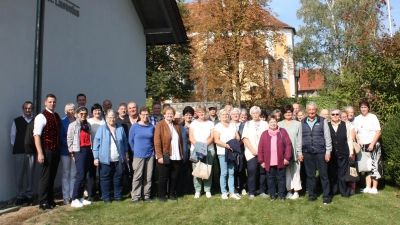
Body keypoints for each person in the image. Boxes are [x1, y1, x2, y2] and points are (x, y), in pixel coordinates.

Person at [297, 102, 332, 204]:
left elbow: (327, 137)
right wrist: (299, 152)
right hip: (307, 152)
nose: (311, 111)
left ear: (316, 110)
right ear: (307, 111)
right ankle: (312, 195)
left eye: (313, 110)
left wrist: (328, 152)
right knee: (310, 175)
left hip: (321, 152)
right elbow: (300, 138)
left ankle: (326, 196)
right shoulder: (302, 122)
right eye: (309, 110)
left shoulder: (323, 121)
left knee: (324, 175)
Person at [93, 110, 129, 204]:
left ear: (116, 117)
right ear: (106, 118)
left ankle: (118, 196)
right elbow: (96, 144)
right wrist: (96, 157)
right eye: (110, 117)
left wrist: (126, 154)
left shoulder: (120, 128)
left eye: (113, 117)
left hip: (118, 159)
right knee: (105, 179)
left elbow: (125, 142)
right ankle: (106, 197)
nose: (112, 119)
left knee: (118, 178)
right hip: (105, 160)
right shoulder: (101, 129)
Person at [33, 94, 62, 210]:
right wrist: (40, 153)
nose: (52, 104)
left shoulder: (56, 116)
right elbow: (37, 135)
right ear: (45, 103)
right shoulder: (41, 116)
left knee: (52, 176)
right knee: (45, 176)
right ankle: (43, 201)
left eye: (54, 102)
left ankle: (50, 199)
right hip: (46, 150)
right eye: (50, 102)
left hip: (55, 149)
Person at [258, 115, 292, 201]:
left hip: (281, 160)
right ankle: (272, 195)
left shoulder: (283, 131)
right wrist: (261, 161)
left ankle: (281, 195)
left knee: (281, 178)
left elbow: (288, 145)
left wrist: (287, 158)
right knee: (270, 179)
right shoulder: (264, 134)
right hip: (269, 161)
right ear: (268, 124)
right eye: (271, 122)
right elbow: (260, 148)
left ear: (277, 122)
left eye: (274, 121)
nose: (273, 123)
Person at [154, 106, 184, 202]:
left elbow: (180, 141)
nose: (170, 115)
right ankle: (161, 195)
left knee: (174, 176)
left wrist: (181, 153)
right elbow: (157, 142)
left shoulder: (176, 125)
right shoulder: (160, 124)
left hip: (176, 155)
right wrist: (159, 156)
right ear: (164, 115)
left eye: (172, 114)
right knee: (163, 176)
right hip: (165, 155)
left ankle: (171, 194)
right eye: (168, 114)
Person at [353, 100, 382, 194]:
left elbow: (378, 131)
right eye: (361, 107)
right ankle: (368, 187)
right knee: (366, 167)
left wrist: (372, 144)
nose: (363, 109)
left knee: (375, 165)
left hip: (373, 145)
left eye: (365, 107)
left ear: (368, 108)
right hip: (363, 146)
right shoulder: (357, 119)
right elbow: (355, 132)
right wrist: (358, 140)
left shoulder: (373, 117)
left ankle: (375, 188)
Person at [11, 101, 35, 206]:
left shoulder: (35, 121)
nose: (27, 110)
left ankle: (29, 195)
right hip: (19, 152)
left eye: (29, 108)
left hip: (31, 152)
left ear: (32, 109)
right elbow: (13, 137)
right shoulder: (17, 121)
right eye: (26, 108)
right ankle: (19, 196)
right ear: (23, 109)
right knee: (19, 176)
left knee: (30, 175)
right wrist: (19, 147)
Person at [67, 107, 93, 207]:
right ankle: (74, 198)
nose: (83, 115)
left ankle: (81, 197)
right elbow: (69, 139)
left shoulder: (88, 125)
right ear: (77, 114)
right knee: (80, 175)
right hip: (79, 151)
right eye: (81, 113)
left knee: (85, 175)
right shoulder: (73, 125)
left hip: (87, 150)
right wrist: (72, 152)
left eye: (85, 113)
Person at [242, 106, 269, 199]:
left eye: (257, 113)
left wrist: (262, 151)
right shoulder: (248, 124)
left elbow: (268, 137)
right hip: (251, 152)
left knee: (263, 172)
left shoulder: (265, 123)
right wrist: (253, 150)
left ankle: (262, 190)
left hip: (263, 153)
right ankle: (252, 192)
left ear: (259, 114)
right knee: (252, 171)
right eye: (253, 113)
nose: (255, 115)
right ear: (251, 114)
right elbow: (245, 138)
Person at [129, 107, 155, 203]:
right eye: (143, 114)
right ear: (139, 115)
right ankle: (135, 196)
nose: (145, 116)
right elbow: (130, 140)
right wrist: (134, 150)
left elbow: (153, 140)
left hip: (150, 154)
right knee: (137, 176)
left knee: (148, 176)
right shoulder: (135, 127)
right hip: (138, 155)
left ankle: (146, 195)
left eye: (146, 114)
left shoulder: (151, 127)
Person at [214, 109, 241, 200]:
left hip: (232, 152)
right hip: (222, 152)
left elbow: (237, 137)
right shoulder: (218, 126)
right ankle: (224, 192)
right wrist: (226, 145)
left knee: (232, 172)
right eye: (223, 114)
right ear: (220, 116)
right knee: (224, 172)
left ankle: (232, 192)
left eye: (226, 114)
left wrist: (237, 137)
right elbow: (216, 140)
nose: (225, 116)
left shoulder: (232, 125)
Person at [189, 104, 215, 199]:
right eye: (199, 112)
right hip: (195, 150)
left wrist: (204, 146)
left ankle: (207, 190)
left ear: (205, 112)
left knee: (207, 169)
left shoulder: (210, 123)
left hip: (209, 149)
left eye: (203, 112)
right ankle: (198, 190)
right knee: (196, 169)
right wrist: (199, 147)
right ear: (197, 113)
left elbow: (212, 136)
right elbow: (191, 137)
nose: (201, 114)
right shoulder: (193, 123)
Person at [278, 105, 302, 200]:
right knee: (287, 173)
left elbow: (300, 139)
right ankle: (289, 190)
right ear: (283, 113)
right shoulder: (279, 124)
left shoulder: (297, 124)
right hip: (283, 154)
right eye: (286, 112)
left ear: (292, 112)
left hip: (295, 151)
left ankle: (296, 191)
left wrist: (300, 153)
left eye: (289, 112)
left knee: (296, 172)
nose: (288, 113)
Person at [327, 109, 352, 198]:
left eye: (337, 114)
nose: (335, 116)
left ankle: (344, 191)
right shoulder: (327, 125)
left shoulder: (345, 125)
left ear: (340, 115)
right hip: (331, 154)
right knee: (332, 173)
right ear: (330, 115)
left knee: (343, 173)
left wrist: (351, 152)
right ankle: (333, 190)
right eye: (333, 114)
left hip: (343, 152)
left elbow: (349, 139)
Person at [87, 103, 105, 200]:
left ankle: (102, 193)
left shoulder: (104, 121)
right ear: (92, 112)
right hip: (91, 150)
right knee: (91, 173)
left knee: (102, 172)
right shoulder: (89, 122)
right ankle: (91, 194)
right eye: (95, 110)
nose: (97, 112)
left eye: (99, 110)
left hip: (103, 150)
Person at [59, 103, 77, 205]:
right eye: (69, 110)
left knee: (73, 174)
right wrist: (70, 146)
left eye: (73, 109)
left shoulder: (77, 121)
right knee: (66, 174)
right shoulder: (62, 122)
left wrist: (75, 148)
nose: (71, 111)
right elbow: (61, 137)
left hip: (75, 152)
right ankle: (65, 196)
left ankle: (72, 195)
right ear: (66, 111)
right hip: (65, 151)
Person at [179, 106, 195, 195]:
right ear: (184, 116)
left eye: (190, 115)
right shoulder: (180, 126)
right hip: (184, 150)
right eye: (187, 115)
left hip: (193, 150)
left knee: (193, 169)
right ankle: (185, 187)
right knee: (184, 170)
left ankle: (193, 187)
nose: (188, 116)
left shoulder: (195, 125)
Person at [231, 108, 247, 195]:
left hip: (242, 149)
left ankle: (243, 187)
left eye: (237, 114)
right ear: (231, 116)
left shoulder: (244, 125)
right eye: (234, 114)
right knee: (233, 169)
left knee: (242, 168)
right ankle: (235, 187)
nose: (235, 115)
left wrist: (238, 145)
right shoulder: (229, 124)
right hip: (231, 150)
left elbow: (245, 137)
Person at [340, 110, 357, 195]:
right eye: (342, 117)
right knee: (343, 170)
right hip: (342, 150)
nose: (344, 118)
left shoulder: (350, 125)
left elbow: (352, 137)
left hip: (350, 150)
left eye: (345, 117)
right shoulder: (338, 125)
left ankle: (352, 188)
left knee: (352, 169)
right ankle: (343, 187)